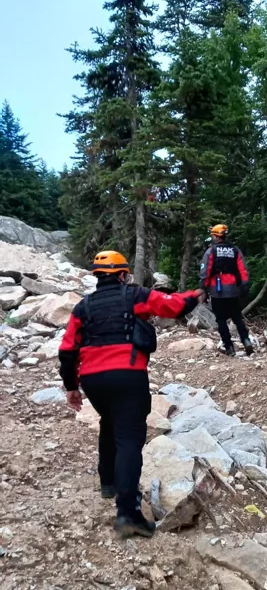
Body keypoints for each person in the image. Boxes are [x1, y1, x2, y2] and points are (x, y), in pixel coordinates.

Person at [58, 250, 204, 538]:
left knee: (109, 422)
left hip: (92, 380)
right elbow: (171, 306)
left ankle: (108, 482)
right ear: (123, 275)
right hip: (127, 374)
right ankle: (127, 513)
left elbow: (66, 351)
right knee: (128, 438)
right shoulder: (135, 296)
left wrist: (72, 387)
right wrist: (195, 294)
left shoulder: (82, 308)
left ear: (97, 277)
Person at [200, 224, 254, 357]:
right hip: (233, 290)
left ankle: (229, 347)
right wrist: (244, 286)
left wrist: (203, 288)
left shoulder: (211, 251)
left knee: (221, 319)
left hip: (217, 291)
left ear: (216, 236)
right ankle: (246, 340)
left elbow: (205, 272)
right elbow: (243, 270)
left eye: (212, 235)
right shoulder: (235, 250)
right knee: (237, 317)